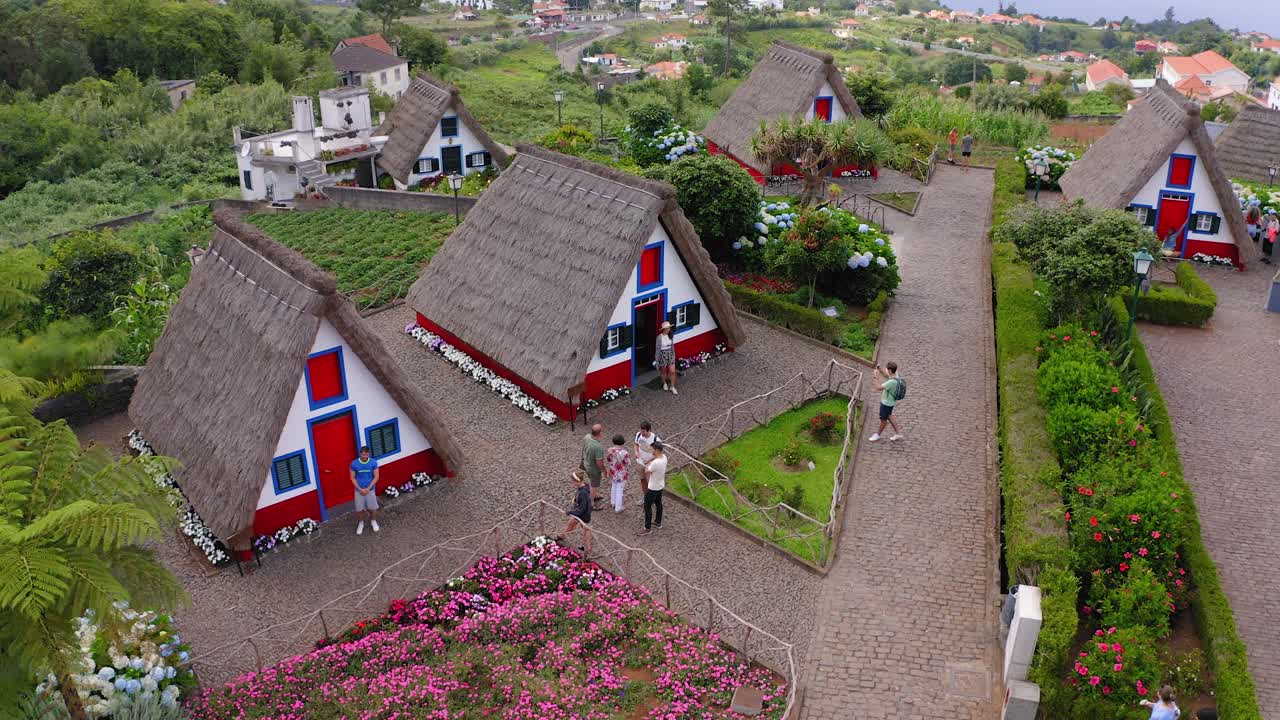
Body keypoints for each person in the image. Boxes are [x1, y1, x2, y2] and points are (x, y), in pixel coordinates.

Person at [638, 441, 668, 535]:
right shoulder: (664, 457)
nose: (651, 451)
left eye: (652, 449)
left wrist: (646, 465)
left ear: (656, 450)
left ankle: (647, 528)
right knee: (658, 503)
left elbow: (647, 471)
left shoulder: (656, 463)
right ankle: (658, 522)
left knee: (647, 507)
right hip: (660, 485)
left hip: (653, 487)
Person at [869, 361, 904, 442]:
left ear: (890, 370)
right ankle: (898, 433)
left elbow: (878, 388)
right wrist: (880, 370)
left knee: (883, 420)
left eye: (887, 369)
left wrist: (875, 376)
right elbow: (886, 375)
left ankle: (877, 435)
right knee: (889, 416)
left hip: (886, 404)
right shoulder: (896, 376)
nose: (886, 370)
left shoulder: (891, 382)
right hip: (891, 402)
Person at [350, 446, 380, 535]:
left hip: (370, 489)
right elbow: (352, 478)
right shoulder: (354, 464)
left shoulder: (373, 462)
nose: (364, 457)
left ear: (369, 454)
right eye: (363, 455)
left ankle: (373, 521)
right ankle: (361, 523)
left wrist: (368, 488)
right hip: (358, 490)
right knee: (359, 509)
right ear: (360, 454)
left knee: (372, 508)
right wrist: (360, 489)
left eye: (366, 455)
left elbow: (376, 476)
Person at [563, 471, 593, 557]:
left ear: (577, 481)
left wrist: (570, 512)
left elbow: (581, 508)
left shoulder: (583, 493)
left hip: (583, 514)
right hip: (582, 513)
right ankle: (562, 536)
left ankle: (587, 547)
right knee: (571, 524)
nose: (572, 482)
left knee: (585, 529)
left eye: (573, 481)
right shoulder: (584, 486)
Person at [633, 420, 660, 505]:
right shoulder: (639, 435)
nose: (642, 433)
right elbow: (636, 444)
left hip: (650, 464)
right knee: (642, 480)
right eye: (641, 430)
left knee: (651, 483)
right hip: (640, 462)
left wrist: (648, 461)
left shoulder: (656, 439)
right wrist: (636, 452)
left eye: (644, 431)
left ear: (649, 430)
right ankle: (646, 497)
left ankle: (653, 499)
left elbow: (658, 454)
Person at [581, 423, 606, 510]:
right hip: (593, 469)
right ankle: (591, 503)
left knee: (591, 481)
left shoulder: (587, 437)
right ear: (600, 433)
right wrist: (604, 470)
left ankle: (595, 495)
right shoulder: (598, 447)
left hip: (586, 464)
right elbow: (599, 462)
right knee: (594, 485)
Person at [606, 434, 630, 513]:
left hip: (613, 471)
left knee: (613, 486)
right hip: (621, 474)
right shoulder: (624, 452)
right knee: (620, 489)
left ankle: (613, 502)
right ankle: (618, 507)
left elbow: (608, 460)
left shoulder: (610, 450)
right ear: (623, 442)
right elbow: (627, 463)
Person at [656, 321, 678, 394]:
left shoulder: (670, 335)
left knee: (672, 371)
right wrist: (657, 361)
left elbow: (672, 347)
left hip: (670, 354)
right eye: (668, 328)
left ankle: (672, 387)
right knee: (664, 371)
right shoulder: (659, 338)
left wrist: (674, 355)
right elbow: (657, 350)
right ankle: (664, 383)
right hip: (662, 355)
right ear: (664, 329)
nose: (669, 329)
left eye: (669, 328)